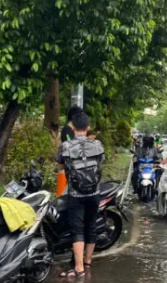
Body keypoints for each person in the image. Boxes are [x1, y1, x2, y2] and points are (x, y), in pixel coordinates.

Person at [56, 112, 104, 278]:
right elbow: (100, 162)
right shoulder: (97, 144)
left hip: (75, 194)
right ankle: (88, 261)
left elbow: (60, 165)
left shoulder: (66, 146)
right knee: (91, 226)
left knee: (77, 229)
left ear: (73, 127)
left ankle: (78, 267)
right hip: (94, 193)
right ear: (88, 127)